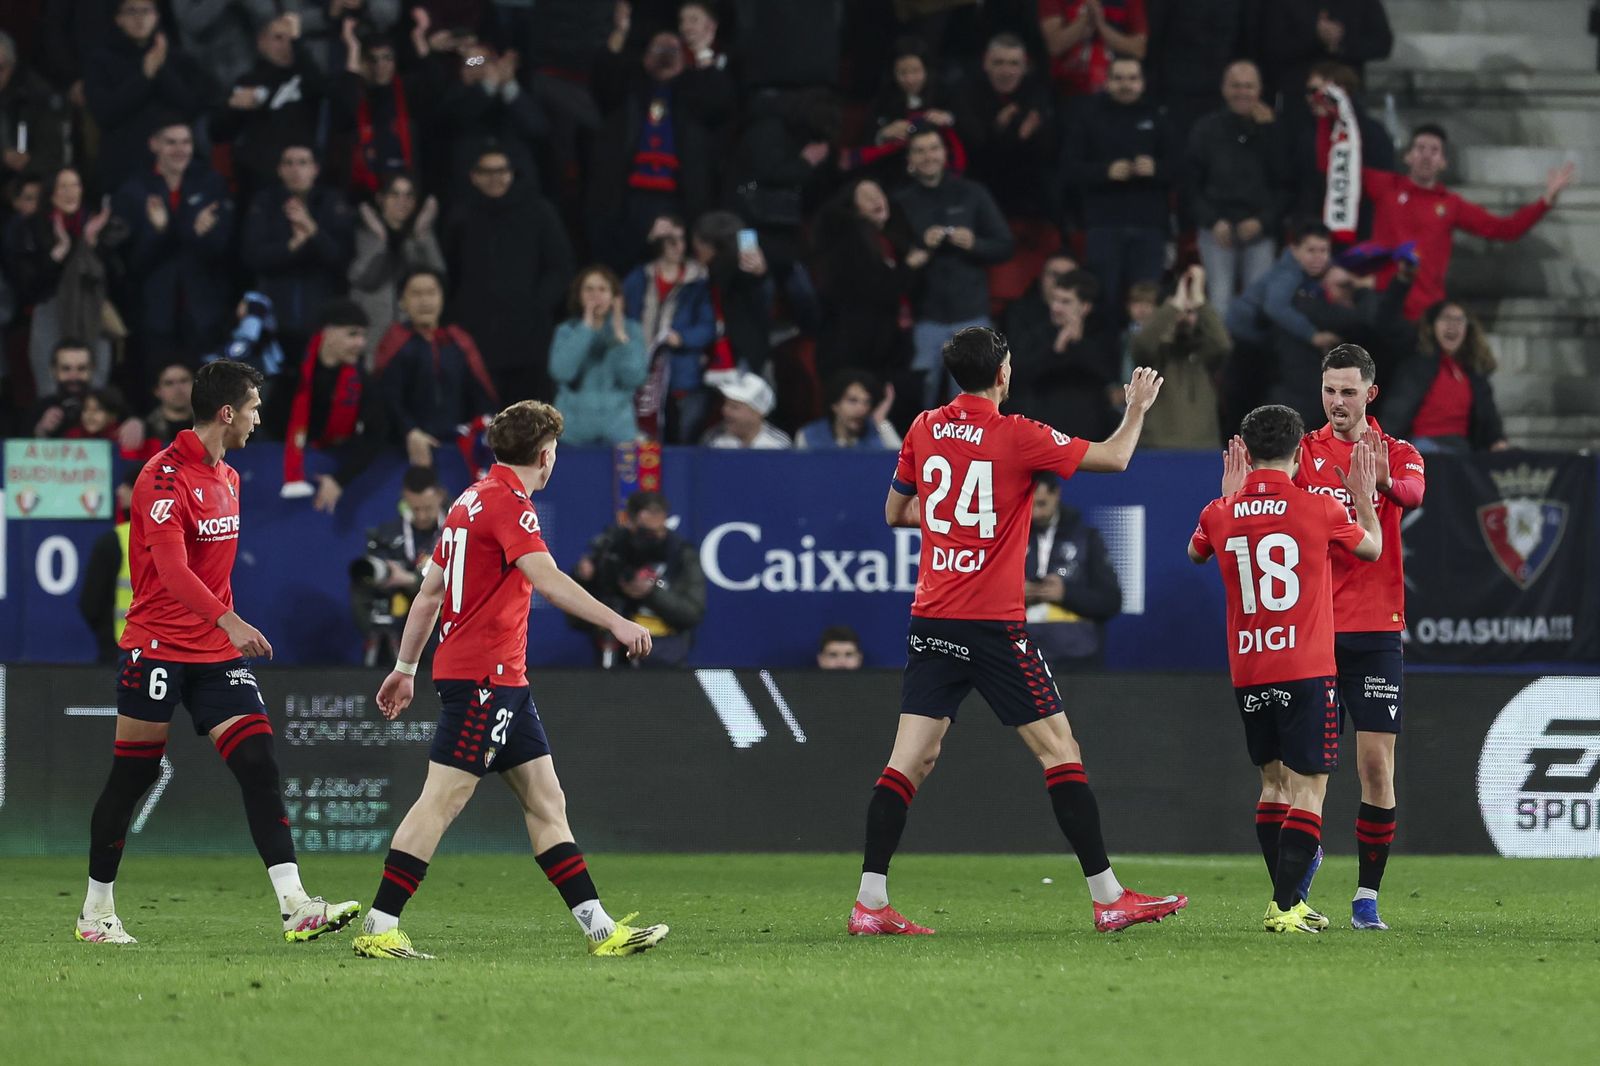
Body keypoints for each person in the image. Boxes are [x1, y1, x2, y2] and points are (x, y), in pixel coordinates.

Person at [850, 325, 1186, 936]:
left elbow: (896, 512)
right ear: (1003, 373)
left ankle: (869, 904)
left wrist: (955, 518)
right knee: (1061, 753)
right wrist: (1136, 409)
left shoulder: (924, 427)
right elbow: (1115, 458)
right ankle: (1109, 897)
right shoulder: (1018, 433)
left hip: (932, 617)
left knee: (910, 761)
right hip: (992, 624)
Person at [350, 400, 669, 960]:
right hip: (484, 680)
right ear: (545, 456)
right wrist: (618, 620)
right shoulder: (510, 506)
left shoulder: (467, 500)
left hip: (501, 682)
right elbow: (545, 579)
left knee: (548, 803)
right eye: (555, 453)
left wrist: (404, 669)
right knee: (441, 801)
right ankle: (379, 927)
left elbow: (429, 594)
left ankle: (601, 929)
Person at [75, 359, 360, 946]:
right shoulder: (162, 477)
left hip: (212, 653)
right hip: (155, 648)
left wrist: (221, 630)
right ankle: (94, 914)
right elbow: (174, 572)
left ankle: (295, 905)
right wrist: (230, 620)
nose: (259, 419)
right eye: (254, 408)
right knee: (134, 776)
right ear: (227, 413)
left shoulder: (228, 477)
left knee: (258, 762)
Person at [1223, 344, 1425, 931]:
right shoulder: (1300, 455)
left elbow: (1412, 495)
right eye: (1329, 391)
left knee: (1376, 766)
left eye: (1348, 392)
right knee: (1292, 774)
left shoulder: (1399, 453)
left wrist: (1375, 473)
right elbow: (1252, 512)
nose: (1337, 402)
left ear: (1370, 394)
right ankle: (1292, 896)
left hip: (1376, 629)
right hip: (1310, 633)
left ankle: (1366, 896)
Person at [1191, 402, 1381, 934]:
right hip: (1306, 667)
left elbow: (1194, 553)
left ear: (1245, 454)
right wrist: (1364, 501)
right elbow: (1372, 549)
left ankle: (1290, 902)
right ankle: (1284, 905)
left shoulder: (1218, 511)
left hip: (1249, 669)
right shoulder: (1319, 509)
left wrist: (1230, 497)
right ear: (1300, 452)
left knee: (1272, 785)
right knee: (1309, 790)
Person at [1341, 125, 1576, 320]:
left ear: (1443, 162)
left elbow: (1505, 229)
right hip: (1381, 305)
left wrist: (1546, 201)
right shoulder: (1385, 186)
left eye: (1434, 151)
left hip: (1426, 313)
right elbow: (1334, 168)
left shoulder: (1451, 205)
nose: (1426, 155)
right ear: (1408, 156)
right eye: (1420, 148)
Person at [442, 146, 573, 404]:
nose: (495, 178)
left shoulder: (538, 211)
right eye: (487, 171)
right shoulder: (461, 215)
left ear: (513, 173)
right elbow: (448, 272)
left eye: (502, 170)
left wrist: (536, 305)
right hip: (475, 340)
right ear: (473, 176)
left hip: (528, 339)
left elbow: (561, 266)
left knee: (527, 423)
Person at [894, 127, 1014, 409]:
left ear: (945, 154)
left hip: (971, 314)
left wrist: (975, 244)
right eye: (920, 150)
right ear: (910, 158)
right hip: (925, 315)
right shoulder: (900, 201)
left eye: (934, 148)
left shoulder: (972, 193)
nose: (928, 156)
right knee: (919, 395)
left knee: (976, 399)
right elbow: (891, 260)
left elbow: (1005, 245)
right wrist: (919, 246)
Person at [112, 119, 234, 369]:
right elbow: (131, 263)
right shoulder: (133, 191)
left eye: (186, 142)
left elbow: (223, 250)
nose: (180, 149)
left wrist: (195, 234)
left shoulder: (210, 184)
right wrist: (160, 232)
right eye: (171, 142)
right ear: (154, 144)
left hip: (204, 313)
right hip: (154, 314)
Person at [241, 144, 356, 401]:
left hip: (319, 320)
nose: (296, 170)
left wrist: (311, 229)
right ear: (280, 170)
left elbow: (341, 259)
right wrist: (292, 246)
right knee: (267, 395)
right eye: (289, 163)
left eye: (302, 162)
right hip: (273, 322)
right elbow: (253, 257)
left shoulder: (332, 202)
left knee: (318, 393)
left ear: (315, 169)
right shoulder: (265, 202)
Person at [1063, 56, 1173, 320]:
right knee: (1105, 301)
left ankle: (1147, 360)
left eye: (1132, 78)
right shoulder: (1088, 117)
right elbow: (1069, 168)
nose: (1126, 85)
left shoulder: (1158, 117)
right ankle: (1107, 360)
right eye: (1119, 78)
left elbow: (1182, 168)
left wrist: (1156, 168)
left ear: (1142, 83)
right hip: (1104, 225)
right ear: (1107, 81)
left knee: (1148, 301)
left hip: (1149, 225)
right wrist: (1105, 172)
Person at [5, 167, 120, 391]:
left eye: (75, 185)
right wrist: (58, 253)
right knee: (50, 385)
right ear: (50, 192)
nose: (70, 192)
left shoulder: (97, 224)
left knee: (96, 385)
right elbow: (28, 286)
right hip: (50, 312)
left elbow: (116, 279)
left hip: (93, 314)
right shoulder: (31, 227)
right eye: (63, 186)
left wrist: (92, 244)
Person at [1186, 60, 1283, 316]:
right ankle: (1221, 357)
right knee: (1219, 302)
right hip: (1217, 230)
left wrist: (1263, 221)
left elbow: (1286, 185)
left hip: (1260, 231)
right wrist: (1212, 221)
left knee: (1257, 305)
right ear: (1224, 89)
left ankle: (1251, 357)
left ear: (1259, 89)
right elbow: (1190, 184)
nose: (1242, 92)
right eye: (1236, 86)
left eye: (1249, 86)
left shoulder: (1274, 132)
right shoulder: (1205, 129)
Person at [375, 268, 498, 467]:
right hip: (406, 451)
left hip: (458, 450)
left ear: (442, 298)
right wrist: (410, 431)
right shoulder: (395, 344)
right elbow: (388, 399)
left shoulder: (458, 342)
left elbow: (479, 394)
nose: (425, 301)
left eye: (432, 293)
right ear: (402, 301)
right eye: (416, 294)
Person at [572, 489, 706, 668]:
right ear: (630, 523)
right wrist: (583, 579)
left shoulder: (681, 555)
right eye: (647, 532)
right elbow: (577, 619)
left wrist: (652, 593)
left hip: (667, 656)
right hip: (616, 653)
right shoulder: (612, 549)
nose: (656, 537)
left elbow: (692, 613)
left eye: (661, 530)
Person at [83, 0, 209, 191]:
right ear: (118, 19)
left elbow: (192, 107)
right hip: (124, 166)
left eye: (146, 11)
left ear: (157, 16)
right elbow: (105, 114)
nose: (139, 18)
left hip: (175, 169)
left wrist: (160, 71)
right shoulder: (101, 61)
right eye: (131, 11)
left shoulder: (179, 59)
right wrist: (144, 77)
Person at [810, 178, 924, 387]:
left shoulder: (888, 240)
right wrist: (909, 266)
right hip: (854, 349)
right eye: (866, 197)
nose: (876, 199)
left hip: (885, 346)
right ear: (854, 207)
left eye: (878, 193)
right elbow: (878, 289)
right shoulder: (848, 243)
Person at [281, 298, 384, 510]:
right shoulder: (292, 363)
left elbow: (377, 434)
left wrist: (340, 479)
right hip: (280, 462)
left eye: (363, 336)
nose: (361, 343)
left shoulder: (361, 379)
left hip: (332, 460)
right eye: (352, 334)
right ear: (328, 333)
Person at [621, 213, 715, 443]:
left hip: (681, 374)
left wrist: (681, 338)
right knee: (644, 438)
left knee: (682, 437)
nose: (676, 245)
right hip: (641, 371)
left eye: (680, 239)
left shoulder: (698, 281)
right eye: (669, 240)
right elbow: (623, 317)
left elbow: (708, 326)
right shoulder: (639, 277)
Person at [350, 464, 447, 667]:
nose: (421, 515)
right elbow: (362, 588)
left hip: (446, 634)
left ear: (440, 496)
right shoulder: (385, 537)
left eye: (427, 508)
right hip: (398, 638)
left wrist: (411, 580)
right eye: (415, 508)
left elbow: (465, 584)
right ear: (404, 497)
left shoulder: (457, 533)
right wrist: (370, 628)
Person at [1024, 474, 1123, 672]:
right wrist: (1012, 595)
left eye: (1041, 504)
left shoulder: (1086, 538)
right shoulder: (1009, 536)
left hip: (1075, 659)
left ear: (1056, 494)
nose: (1035, 513)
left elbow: (1111, 601)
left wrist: (1066, 594)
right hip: (1021, 657)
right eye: (1029, 505)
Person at [1382, 300, 1509, 453]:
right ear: (1432, 326)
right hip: (1424, 448)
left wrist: (1497, 440)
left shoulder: (1473, 374)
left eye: (1459, 320)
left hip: (1461, 450)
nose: (1452, 325)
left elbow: (1489, 417)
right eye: (1446, 318)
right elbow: (1396, 412)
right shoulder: (1416, 365)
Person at [1008, 269, 1119, 442]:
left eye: (1065, 302)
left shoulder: (1102, 336)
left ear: (1085, 307)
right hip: (1043, 436)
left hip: (1090, 437)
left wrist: (1077, 344)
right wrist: (1056, 350)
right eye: (1054, 300)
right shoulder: (1037, 334)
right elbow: (1019, 375)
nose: (1056, 308)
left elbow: (1107, 374)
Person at [350, 172, 445, 363]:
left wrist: (421, 235)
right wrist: (381, 239)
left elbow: (438, 277)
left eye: (409, 195)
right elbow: (365, 279)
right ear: (381, 198)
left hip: (415, 339)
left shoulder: (419, 236)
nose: (402, 201)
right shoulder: (363, 234)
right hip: (373, 342)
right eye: (395, 194)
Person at [1131, 265, 1230, 448]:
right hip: (1157, 449)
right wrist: (1174, 305)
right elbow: (1142, 344)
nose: (1184, 317)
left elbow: (1222, 345)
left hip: (1204, 448)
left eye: (1191, 312)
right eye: (1179, 311)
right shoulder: (1154, 353)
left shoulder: (1204, 353)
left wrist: (1200, 301)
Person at [549, 265, 649, 445]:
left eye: (602, 289)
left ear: (614, 297)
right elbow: (562, 372)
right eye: (589, 289)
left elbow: (635, 378)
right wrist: (585, 328)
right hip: (572, 434)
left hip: (618, 432)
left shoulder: (631, 331)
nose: (595, 295)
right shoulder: (566, 331)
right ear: (579, 295)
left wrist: (620, 337)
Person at [1039, 0, 1148, 100]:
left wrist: (1101, 26)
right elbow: (1054, 46)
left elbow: (1139, 49)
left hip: (1114, 92)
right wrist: (1085, 18)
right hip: (1067, 91)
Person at [796, 370, 900, 450]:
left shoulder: (879, 432)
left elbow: (904, 465)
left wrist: (881, 421)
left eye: (866, 402)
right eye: (852, 401)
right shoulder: (809, 436)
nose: (861, 409)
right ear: (835, 405)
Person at [702, 371, 791, 449]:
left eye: (734, 407)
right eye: (725, 404)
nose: (725, 411)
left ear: (758, 412)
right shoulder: (713, 439)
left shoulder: (778, 446)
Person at [143, 361, 194, 444]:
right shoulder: (145, 429)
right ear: (157, 391)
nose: (178, 389)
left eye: (184, 381)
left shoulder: (213, 426)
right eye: (169, 383)